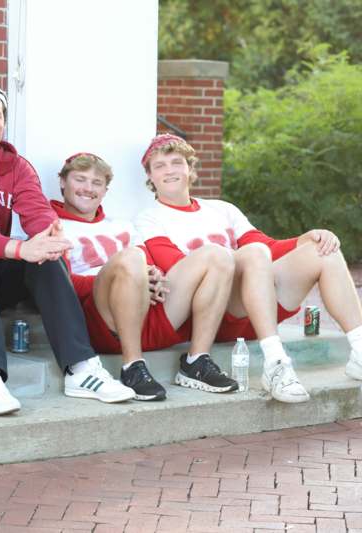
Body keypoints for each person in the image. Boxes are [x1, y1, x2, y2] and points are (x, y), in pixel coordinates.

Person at [0, 81, 135, 415]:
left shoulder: (15, 166)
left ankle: (82, 367)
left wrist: (48, 234)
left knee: (44, 258)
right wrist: (20, 248)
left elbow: (35, 209)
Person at [135, 133, 362, 403]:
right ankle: (276, 363)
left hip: (254, 303)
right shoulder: (148, 218)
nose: (169, 170)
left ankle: (359, 352)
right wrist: (242, 260)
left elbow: (265, 245)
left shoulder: (222, 209)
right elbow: (176, 270)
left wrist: (306, 238)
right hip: (211, 311)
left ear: (190, 168)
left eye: (176, 162)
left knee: (323, 250)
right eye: (160, 165)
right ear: (150, 175)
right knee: (252, 254)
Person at [54, 152, 238, 400]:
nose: (88, 188)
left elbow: (152, 267)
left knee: (219, 255)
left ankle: (196, 361)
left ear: (105, 191)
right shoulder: (52, 225)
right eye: (80, 180)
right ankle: (132, 367)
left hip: (149, 313)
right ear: (63, 182)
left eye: (97, 183)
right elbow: (61, 285)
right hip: (105, 322)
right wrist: (130, 278)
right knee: (130, 259)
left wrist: (152, 277)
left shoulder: (122, 225)